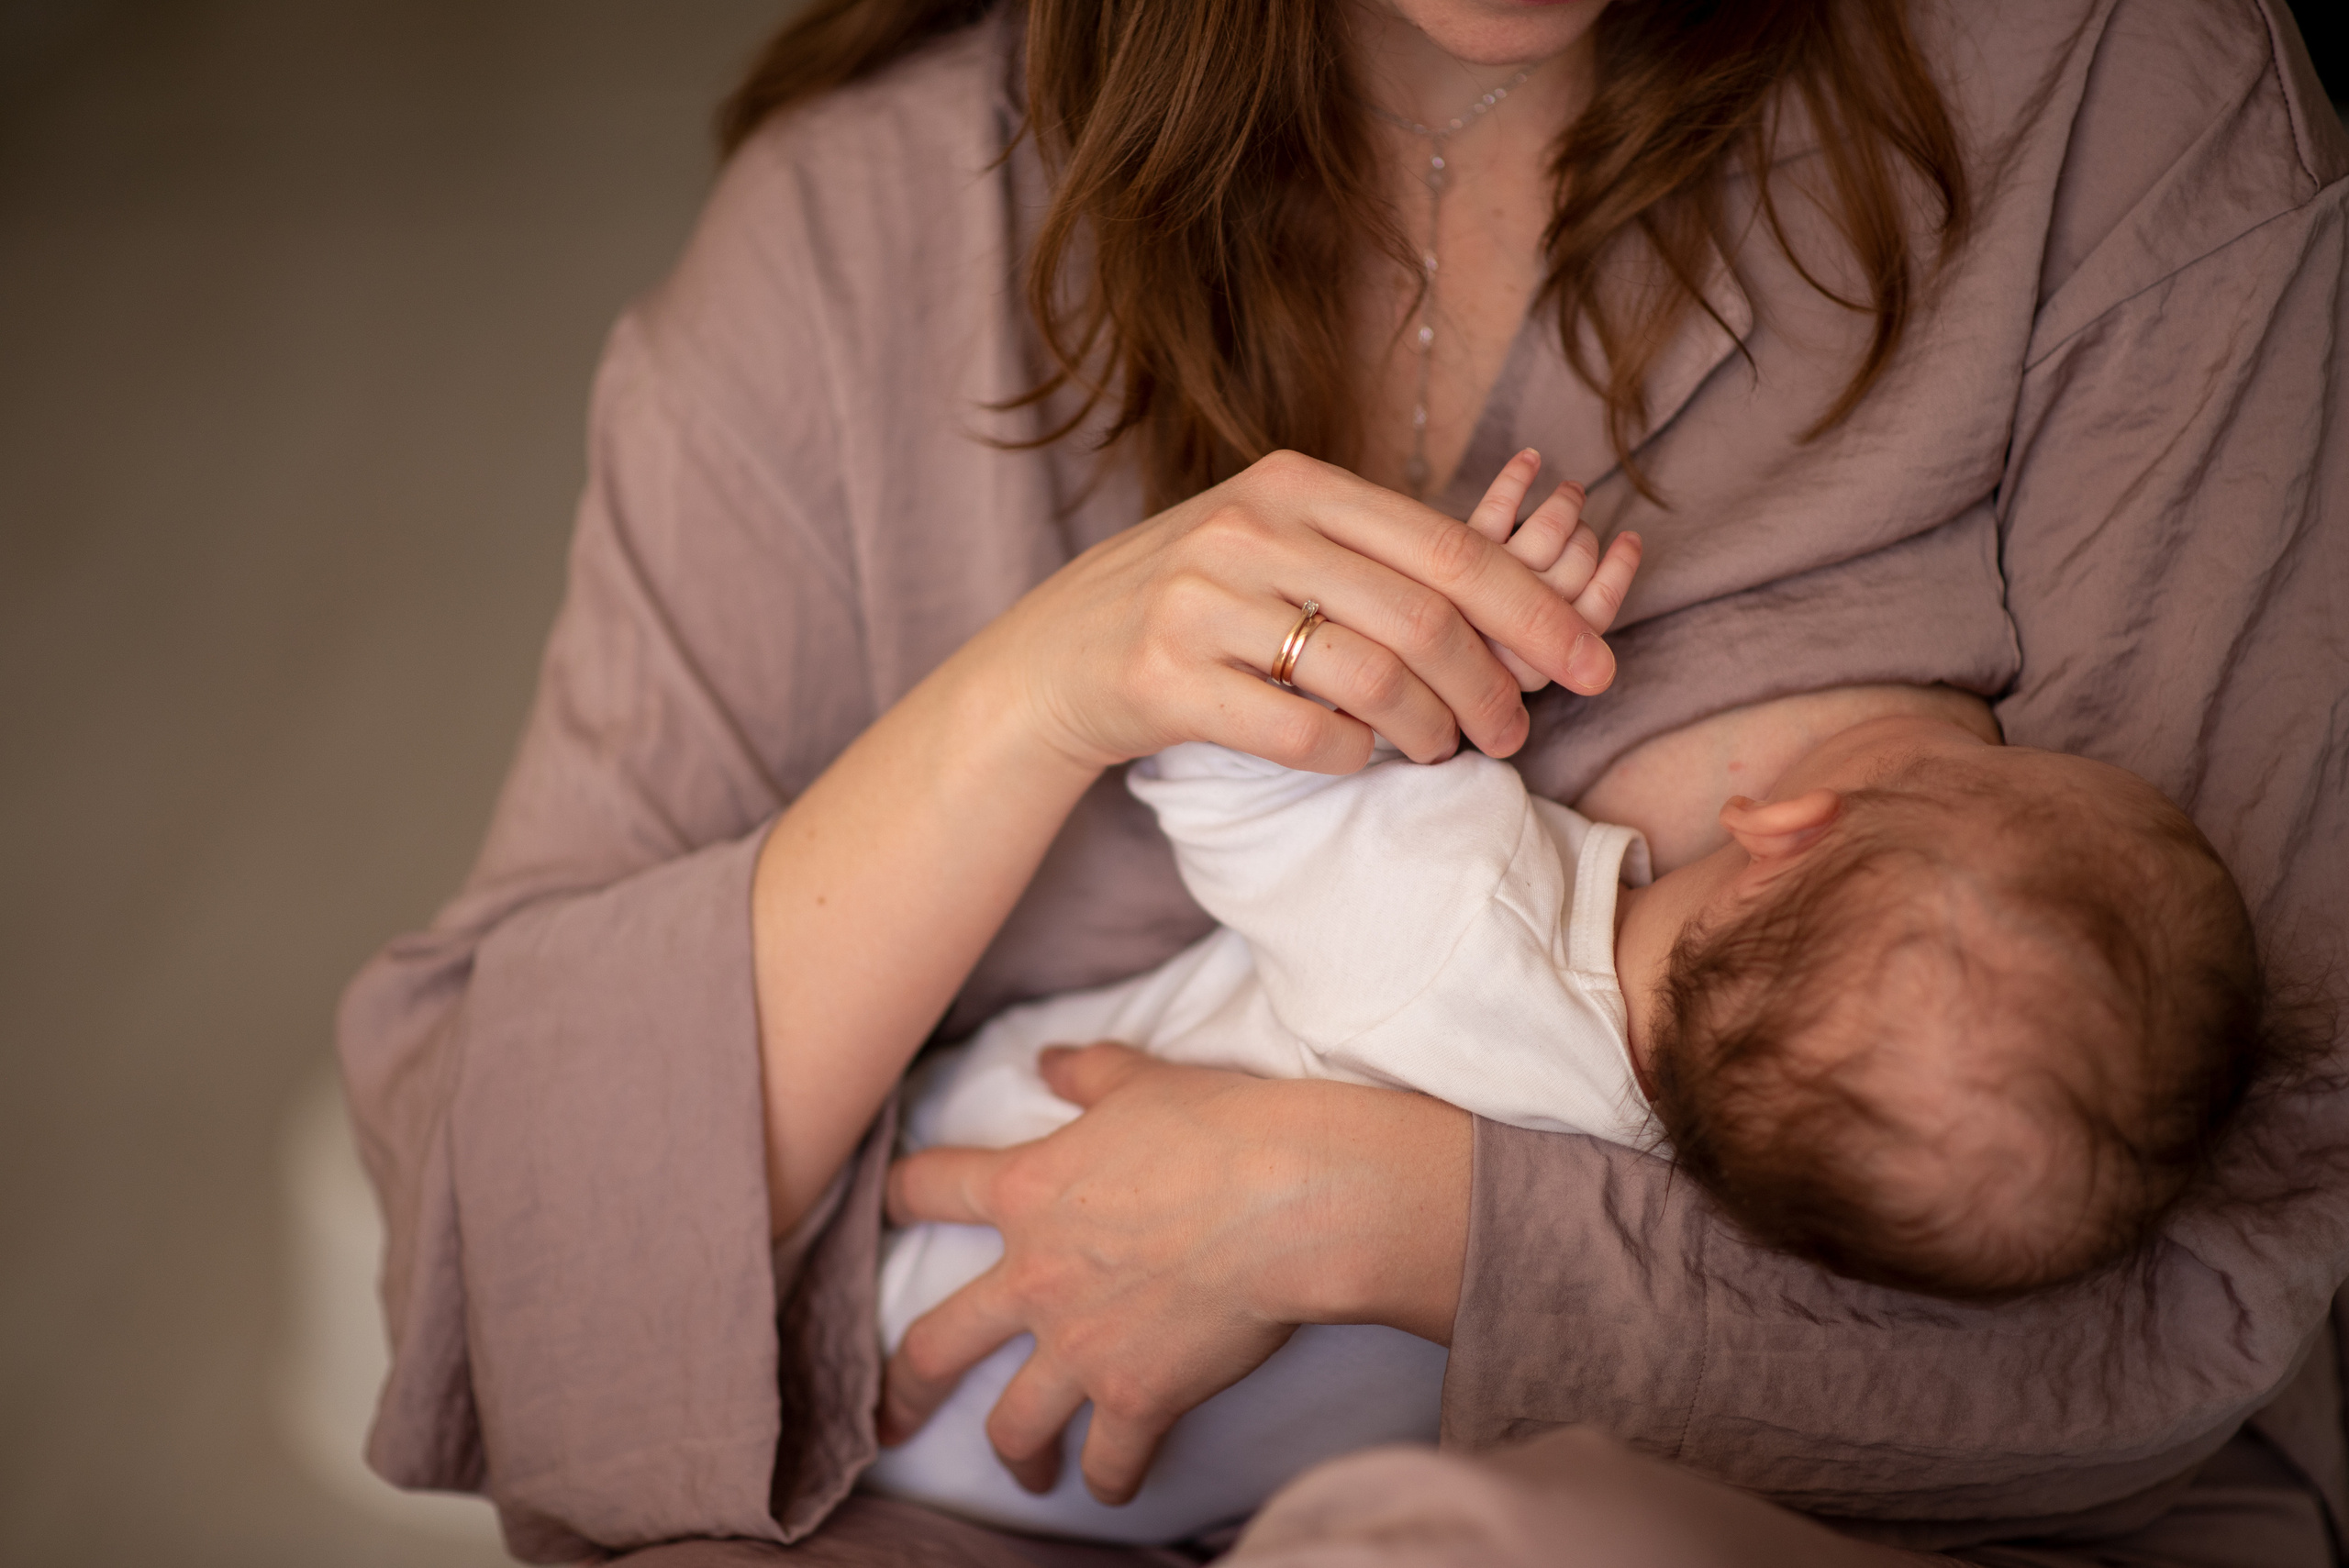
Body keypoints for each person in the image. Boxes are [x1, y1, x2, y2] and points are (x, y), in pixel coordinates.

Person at [335, 0, 2349, 1562]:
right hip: (959, 1473)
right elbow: (503, 1281)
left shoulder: (2103, 93)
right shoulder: (859, 240)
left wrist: (1390, 1223)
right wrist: (1038, 696)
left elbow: (2206, 1260)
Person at [871, 463, 2275, 1543]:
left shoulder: (1461, 919)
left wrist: (1446, 659)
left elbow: (1216, 768)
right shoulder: (1677, 1271)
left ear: (1787, 819)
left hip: (941, 1273)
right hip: (1105, 1492)